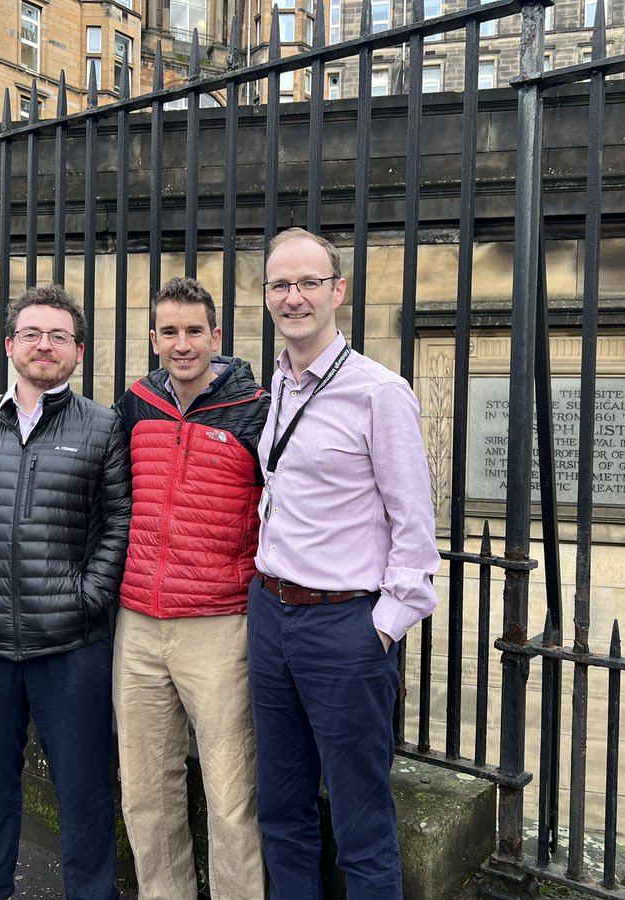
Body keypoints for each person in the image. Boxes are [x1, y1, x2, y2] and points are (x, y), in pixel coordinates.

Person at [249, 228, 441, 900]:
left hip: (344, 630)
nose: (292, 297)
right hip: (269, 616)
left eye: (307, 283)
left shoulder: (378, 393)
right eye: (280, 284)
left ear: (339, 291)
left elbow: (416, 533)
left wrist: (380, 629)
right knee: (282, 809)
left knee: (361, 825)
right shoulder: (273, 383)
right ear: (266, 295)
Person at [0, 284, 130, 900]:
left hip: (72, 650)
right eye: (34, 334)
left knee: (86, 792)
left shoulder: (103, 427)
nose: (46, 346)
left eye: (59, 336)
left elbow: (119, 524)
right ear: (11, 344)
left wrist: (85, 599)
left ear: (78, 351)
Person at [111, 276, 268, 900]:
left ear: (216, 336)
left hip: (219, 621)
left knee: (232, 796)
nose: (182, 344)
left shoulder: (255, 406)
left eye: (194, 331)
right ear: (154, 338)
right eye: (169, 332)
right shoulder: (136, 403)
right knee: (145, 789)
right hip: (139, 621)